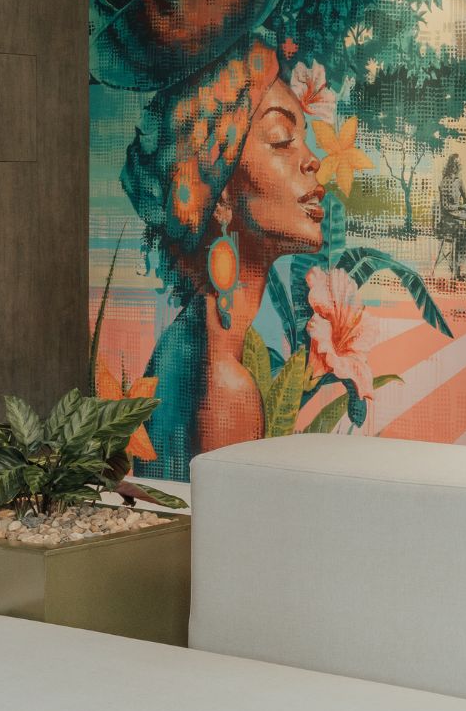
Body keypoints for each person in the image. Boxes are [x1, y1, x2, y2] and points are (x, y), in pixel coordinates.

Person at [123, 40, 330, 477]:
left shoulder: (192, 340)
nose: (312, 161)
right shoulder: (225, 386)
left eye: (305, 141)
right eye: (281, 139)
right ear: (219, 194)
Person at [434, 153, 466, 280]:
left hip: (457, 221)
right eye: (455, 163)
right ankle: (455, 272)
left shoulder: (459, 181)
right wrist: (459, 207)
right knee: (461, 233)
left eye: (459, 163)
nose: (457, 166)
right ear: (450, 165)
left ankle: (458, 266)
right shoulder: (444, 182)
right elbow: (445, 206)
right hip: (446, 223)